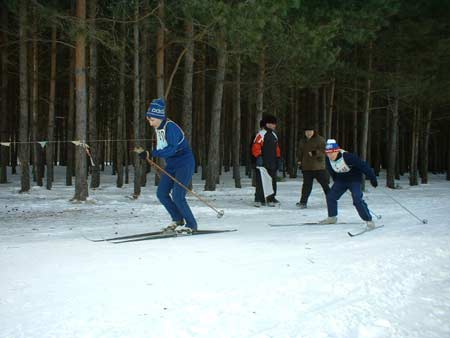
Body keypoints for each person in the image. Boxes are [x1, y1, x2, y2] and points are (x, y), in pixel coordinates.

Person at [138, 98, 197, 233]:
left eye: (152, 120)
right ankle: (177, 219)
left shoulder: (171, 128)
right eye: (148, 120)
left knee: (178, 195)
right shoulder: (159, 127)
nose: (150, 123)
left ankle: (192, 225)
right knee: (162, 193)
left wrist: (150, 152)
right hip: (171, 164)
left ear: (159, 117)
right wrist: (146, 153)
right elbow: (162, 147)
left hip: (184, 163)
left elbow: (171, 149)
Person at [319, 139, 378, 228]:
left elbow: (363, 166)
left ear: (337, 151)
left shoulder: (347, 157)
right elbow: (331, 171)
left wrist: (372, 178)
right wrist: (336, 180)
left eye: (332, 153)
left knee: (357, 199)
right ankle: (332, 217)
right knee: (331, 196)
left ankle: (368, 220)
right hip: (341, 180)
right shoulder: (328, 160)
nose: (330, 155)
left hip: (354, 180)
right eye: (328, 153)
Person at [251, 115, 281, 207]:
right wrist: (258, 157)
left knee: (272, 180)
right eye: (272, 123)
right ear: (267, 124)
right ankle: (258, 199)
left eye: (274, 124)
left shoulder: (274, 135)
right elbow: (256, 146)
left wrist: (278, 158)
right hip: (263, 162)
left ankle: (271, 198)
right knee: (261, 181)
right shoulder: (261, 134)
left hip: (272, 161)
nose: (274, 125)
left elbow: (277, 148)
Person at [297, 127, 330, 208]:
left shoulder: (320, 139)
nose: (308, 133)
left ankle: (331, 200)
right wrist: (299, 160)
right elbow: (300, 151)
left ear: (314, 131)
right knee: (306, 186)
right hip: (307, 167)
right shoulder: (303, 141)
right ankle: (303, 202)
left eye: (310, 131)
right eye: (307, 131)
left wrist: (314, 153)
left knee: (325, 185)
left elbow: (325, 150)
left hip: (318, 167)